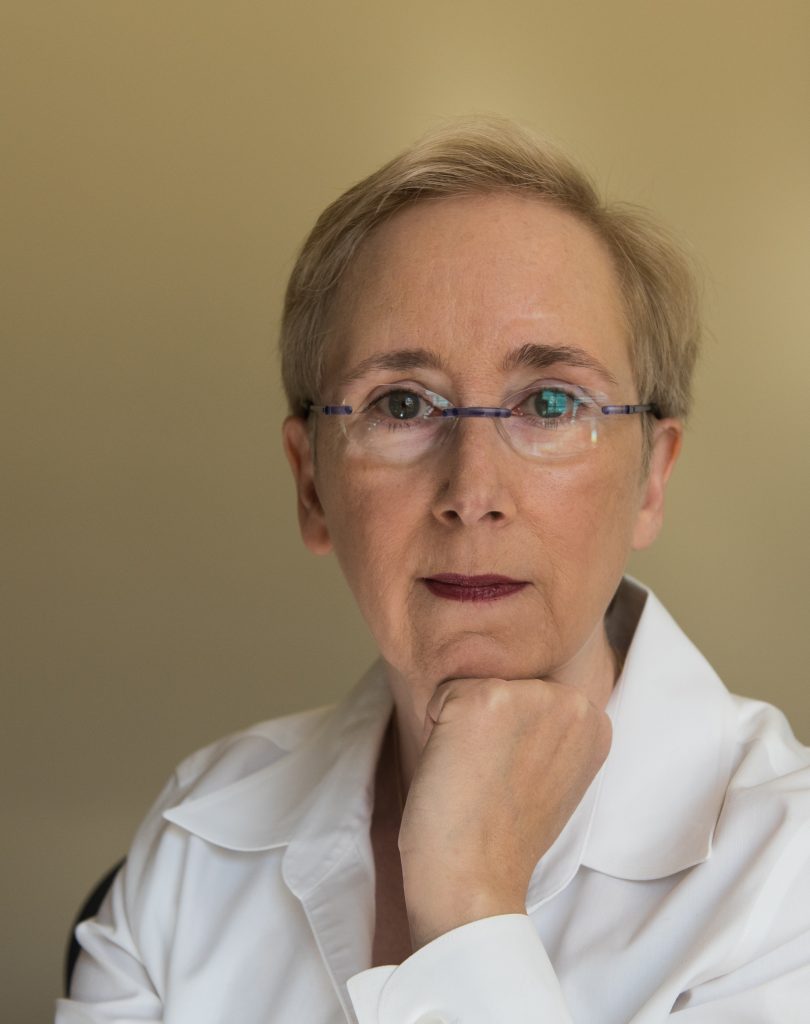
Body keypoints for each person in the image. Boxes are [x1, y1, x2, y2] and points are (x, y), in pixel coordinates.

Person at [56, 118, 810, 1023]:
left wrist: (470, 902)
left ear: (652, 478)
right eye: (403, 405)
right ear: (311, 485)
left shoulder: (785, 869)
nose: (473, 492)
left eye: (551, 402)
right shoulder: (198, 834)